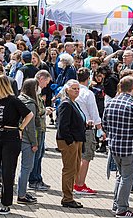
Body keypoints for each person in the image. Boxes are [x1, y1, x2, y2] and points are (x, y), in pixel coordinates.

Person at [0, 74, 33, 215]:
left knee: (7, 171)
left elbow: (29, 115)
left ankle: (6, 203)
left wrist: (21, 128)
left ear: (1, 85)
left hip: (11, 137)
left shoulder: (13, 100)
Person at [102, 76, 133, 218]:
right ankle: (122, 208)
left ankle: (117, 204)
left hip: (115, 147)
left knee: (121, 176)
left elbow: (105, 124)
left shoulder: (111, 103)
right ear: (132, 89)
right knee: (127, 178)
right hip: (130, 147)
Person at [55, 79, 86, 209]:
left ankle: (70, 196)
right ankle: (67, 198)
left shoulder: (74, 103)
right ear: (67, 89)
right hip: (69, 141)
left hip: (77, 140)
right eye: (74, 88)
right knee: (69, 169)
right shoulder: (66, 104)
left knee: (75, 169)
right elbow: (62, 126)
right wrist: (70, 142)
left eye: (78, 89)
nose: (77, 91)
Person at [74, 67, 101, 195]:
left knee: (77, 157)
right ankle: (80, 184)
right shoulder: (88, 93)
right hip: (87, 128)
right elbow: (94, 113)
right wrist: (100, 129)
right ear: (88, 79)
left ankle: (76, 182)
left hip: (74, 128)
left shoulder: (72, 90)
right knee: (86, 157)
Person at [28, 70, 52, 191]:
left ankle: (38, 178)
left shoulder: (38, 92)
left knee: (40, 153)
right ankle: (33, 180)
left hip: (41, 127)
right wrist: (45, 111)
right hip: (37, 128)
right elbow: (36, 111)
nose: (46, 85)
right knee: (36, 154)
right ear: (41, 78)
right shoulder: (33, 92)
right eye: (46, 82)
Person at [17, 79, 40, 204]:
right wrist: (34, 142)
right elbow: (30, 126)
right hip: (26, 139)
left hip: (16, 137)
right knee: (26, 167)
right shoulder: (30, 103)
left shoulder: (18, 98)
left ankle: (22, 192)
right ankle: (22, 194)